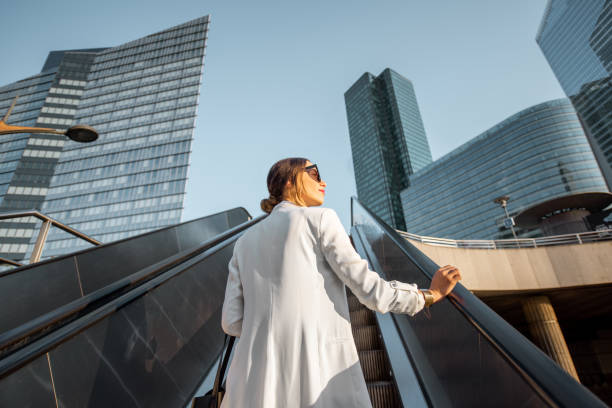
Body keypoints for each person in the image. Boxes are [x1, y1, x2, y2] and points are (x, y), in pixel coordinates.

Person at [221, 158, 461, 408]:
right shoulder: (320, 218)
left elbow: (231, 321)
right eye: (313, 173)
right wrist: (429, 295)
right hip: (313, 374)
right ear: (290, 180)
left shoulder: (243, 243)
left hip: (249, 385)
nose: (322, 181)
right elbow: (371, 291)